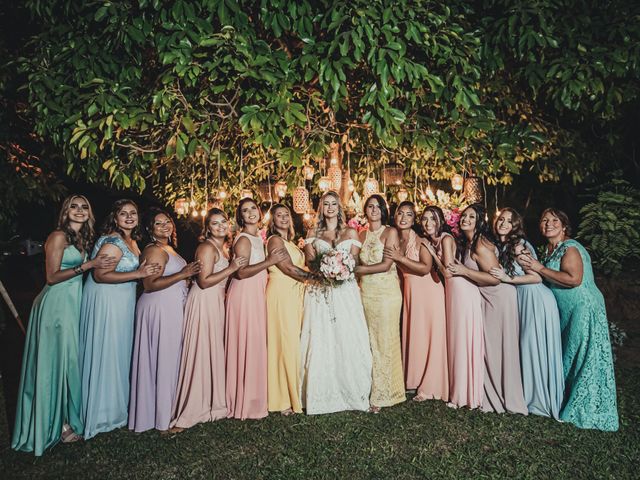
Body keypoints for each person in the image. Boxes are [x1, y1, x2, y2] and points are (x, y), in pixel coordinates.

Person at [12, 195, 116, 455]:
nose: (79, 211)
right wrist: (89, 265)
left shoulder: (80, 239)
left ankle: (64, 421)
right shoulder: (58, 236)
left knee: (68, 362)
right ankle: (54, 426)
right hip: (55, 306)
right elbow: (52, 276)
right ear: (65, 211)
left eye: (84, 207)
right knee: (53, 364)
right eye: (74, 206)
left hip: (71, 305)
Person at [519, 208, 618, 431]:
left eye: (555, 220)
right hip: (568, 311)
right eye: (544, 220)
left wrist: (540, 268)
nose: (549, 224)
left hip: (584, 308)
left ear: (564, 226)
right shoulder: (549, 250)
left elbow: (573, 279)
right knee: (571, 356)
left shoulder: (570, 247)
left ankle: (583, 408)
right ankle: (564, 398)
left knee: (584, 357)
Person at [79, 199, 159, 439]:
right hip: (107, 301)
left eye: (133, 213)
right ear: (115, 218)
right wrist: (139, 273)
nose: (129, 217)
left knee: (118, 352)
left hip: (122, 301)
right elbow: (101, 275)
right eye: (123, 213)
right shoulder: (112, 241)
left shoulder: (132, 241)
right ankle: (101, 414)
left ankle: (115, 409)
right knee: (106, 351)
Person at [171, 208, 246, 431]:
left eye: (224, 221)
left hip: (215, 301)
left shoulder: (223, 248)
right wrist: (232, 268)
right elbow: (203, 281)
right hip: (203, 300)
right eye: (215, 223)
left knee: (212, 349)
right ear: (207, 228)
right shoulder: (205, 247)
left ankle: (212, 403)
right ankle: (193, 408)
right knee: (200, 350)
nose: (221, 226)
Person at [447, 204, 527, 415]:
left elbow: (493, 278)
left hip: (499, 297)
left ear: (480, 221)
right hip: (487, 298)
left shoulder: (481, 244)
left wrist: (464, 271)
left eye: (471, 217)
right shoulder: (468, 242)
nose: (465, 219)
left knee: (498, 349)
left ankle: (504, 398)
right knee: (490, 349)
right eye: (464, 216)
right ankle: (488, 392)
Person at [300, 191, 373, 414]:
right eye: (326, 204)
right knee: (323, 336)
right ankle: (322, 392)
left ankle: (353, 390)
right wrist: (325, 270)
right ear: (320, 208)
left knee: (348, 334)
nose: (330, 207)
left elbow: (354, 262)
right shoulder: (313, 232)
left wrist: (340, 270)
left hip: (346, 292)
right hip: (321, 291)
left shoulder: (351, 232)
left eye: (334, 204)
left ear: (339, 208)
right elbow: (311, 262)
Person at [129, 209, 199, 432]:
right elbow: (150, 284)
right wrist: (183, 274)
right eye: (158, 224)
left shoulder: (169, 249)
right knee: (164, 359)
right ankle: (162, 418)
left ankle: (167, 410)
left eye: (167, 222)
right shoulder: (154, 250)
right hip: (159, 307)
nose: (164, 226)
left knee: (168, 358)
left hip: (170, 305)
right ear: (150, 229)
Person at [490, 208, 564, 419]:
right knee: (529, 347)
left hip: (535, 298)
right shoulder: (503, 245)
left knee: (533, 347)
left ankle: (539, 400)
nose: (503, 223)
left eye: (509, 221)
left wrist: (507, 279)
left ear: (516, 226)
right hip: (524, 298)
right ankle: (532, 395)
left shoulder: (518, 246)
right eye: (501, 220)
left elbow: (536, 277)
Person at [226, 198, 287, 420]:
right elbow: (240, 272)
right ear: (240, 216)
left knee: (255, 343)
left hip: (255, 292)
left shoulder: (257, 237)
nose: (250, 213)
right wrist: (268, 262)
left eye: (253, 208)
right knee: (248, 343)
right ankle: (246, 400)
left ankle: (254, 396)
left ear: (260, 213)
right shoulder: (243, 239)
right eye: (245, 210)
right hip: (244, 294)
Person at [421, 206, 483, 409]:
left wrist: (433, 254)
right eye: (425, 219)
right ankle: (458, 389)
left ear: (441, 221)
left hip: (461, 290)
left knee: (461, 340)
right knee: (456, 340)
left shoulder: (446, 239)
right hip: (453, 291)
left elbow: (447, 272)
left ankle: (463, 395)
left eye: (433, 219)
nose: (428, 223)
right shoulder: (436, 240)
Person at [386, 203, 448, 402]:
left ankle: (429, 385)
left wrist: (399, 257)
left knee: (428, 337)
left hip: (428, 291)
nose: (404, 218)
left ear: (414, 220)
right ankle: (413, 379)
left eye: (409, 215)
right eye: (400, 214)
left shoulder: (420, 241)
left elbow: (424, 268)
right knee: (416, 336)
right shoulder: (394, 238)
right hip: (410, 291)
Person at [356, 194, 405, 412]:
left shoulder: (390, 232)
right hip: (366, 292)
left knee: (385, 341)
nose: (374, 209)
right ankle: (369, 386)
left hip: (386, 293)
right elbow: (353, 258)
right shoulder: (360, 234)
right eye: (370, 206)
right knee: (369, 342)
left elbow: (387, 264)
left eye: (378, 206)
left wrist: (358, 270)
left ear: (383, 210)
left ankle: (383, 394)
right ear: (364, 210)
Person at [265, 204, 313, 415]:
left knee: (294, 342)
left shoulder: (290, 242)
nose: (283, 218)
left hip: (294, 294)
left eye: (286, 215)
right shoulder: (274, 240)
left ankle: (296, 392)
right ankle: (284, 398)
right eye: (278, 215)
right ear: (272, 221)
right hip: (281, 295)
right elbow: (287, 268)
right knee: (286, 344)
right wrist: (318, 279)